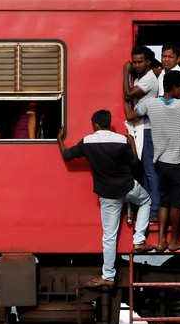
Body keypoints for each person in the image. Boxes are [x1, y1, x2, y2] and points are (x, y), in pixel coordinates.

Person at [57, 110, 153, 288]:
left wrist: (59, 139)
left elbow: (67, 155)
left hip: (107, 194)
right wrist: (132, 142)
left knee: (109, 237)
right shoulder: (121, 140)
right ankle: (139, 240)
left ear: (95, 124)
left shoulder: (87, 142)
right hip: (127, 187)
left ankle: (108, 276)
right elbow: (135, 165)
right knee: (146, 201)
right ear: (108, 123)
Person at [123, 70, 180, 252]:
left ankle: (161, 240)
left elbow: (130, 116)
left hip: (160, 163)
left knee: (164, 202)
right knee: (177, 204)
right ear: (175, 88)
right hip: (179, 162)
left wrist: (126, 96)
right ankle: (174, 241)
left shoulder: (150, 103)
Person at [123, 46, 160, 222]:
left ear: (148, 62)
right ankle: (148, 206)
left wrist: (124, 73)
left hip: (148, 129)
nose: (136, 65)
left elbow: (129, 94)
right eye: (134, 62)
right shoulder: (142, 77)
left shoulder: (148, 79)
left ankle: (155, 209)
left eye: (140, 62)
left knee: (150, 171)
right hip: (142, 128)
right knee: (144, 170)